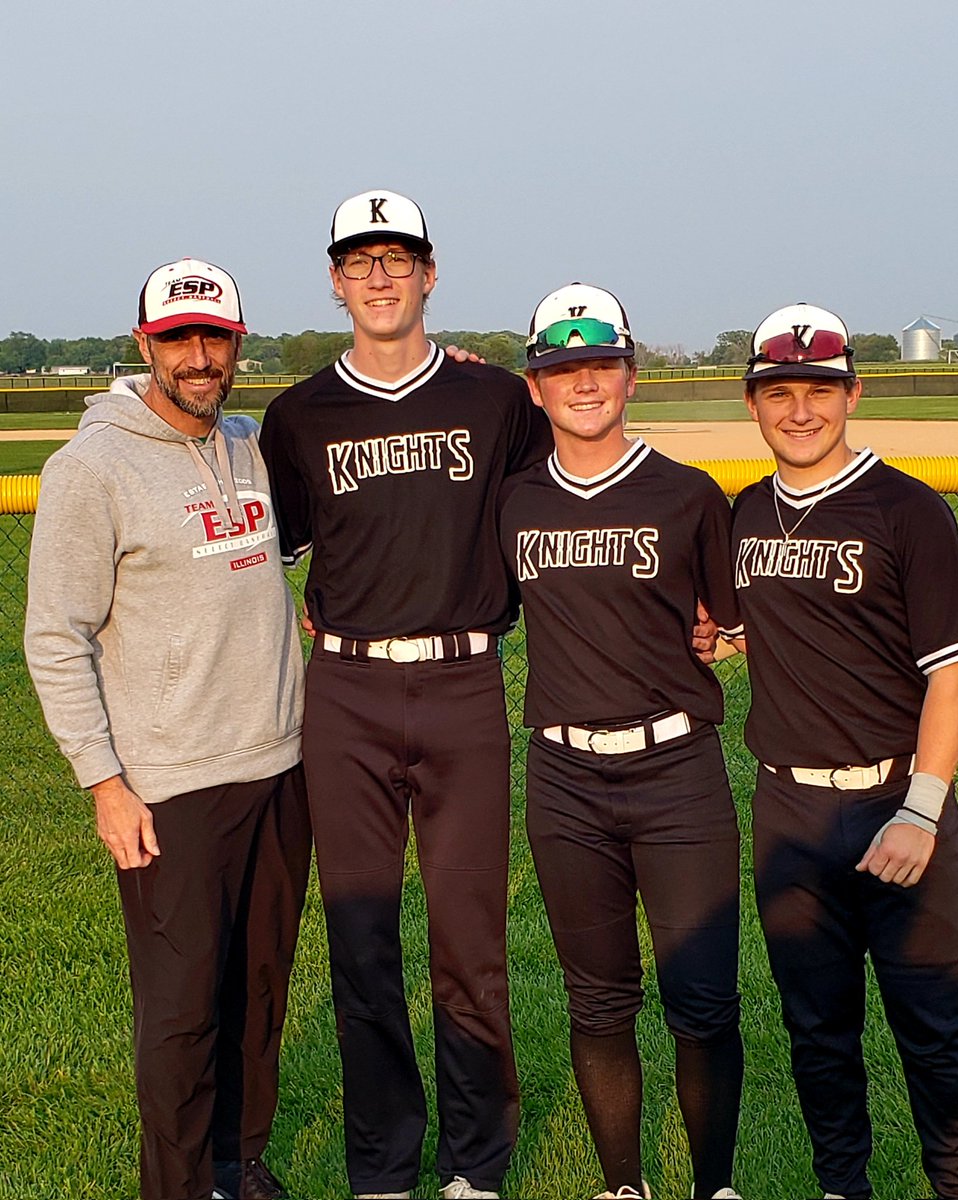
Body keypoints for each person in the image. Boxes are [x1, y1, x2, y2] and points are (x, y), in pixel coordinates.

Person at [258, 190, 554, 1200]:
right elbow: (282, 550)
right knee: (362, 943)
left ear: (431, 274)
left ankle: (477, 1162)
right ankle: (382, 1164)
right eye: (359, 260)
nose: (380, 276)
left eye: (399, 257)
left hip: (464, 683)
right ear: (336, 281)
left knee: (469, 943)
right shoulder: (301, 416)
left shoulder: (495, 401)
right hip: (345, 693)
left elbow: (556, 518)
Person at [24, 259, 312, 1200]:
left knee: (259, 990)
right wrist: (103, 782)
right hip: (168, 786)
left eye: (215, 337)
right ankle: (180, 1186)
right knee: (183, 1011)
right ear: (144, 342)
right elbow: (54, 637)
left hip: (278, 764)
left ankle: (237, 1161)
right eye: (178, 338)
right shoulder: (90, 468)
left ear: (237, 344)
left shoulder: (251, 446)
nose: (198, 355)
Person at [497, 284, 745, 1200]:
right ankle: (621, 1187)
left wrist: (723, 633)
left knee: (703, 1004)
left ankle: (712, 1186)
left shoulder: (685, 495)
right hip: (564, 778)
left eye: (600, 363)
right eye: (562, 367)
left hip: (678, 770)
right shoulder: (513, 502)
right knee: (598, 1003)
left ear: (630, 377)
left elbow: (734, 618)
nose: (583, 381)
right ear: (535, 387)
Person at [731, 304, 958, 1200]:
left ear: (852, 393)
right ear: (752, 404)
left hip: (892, 801)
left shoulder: (905, 508)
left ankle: (957, 1191)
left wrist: (921, 809)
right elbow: (731, 622)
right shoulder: (745, 513)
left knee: (929, 1028)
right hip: (788, 810)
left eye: (819, 391)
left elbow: (954, 676)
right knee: (816, 1030)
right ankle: (844, 1188)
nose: (799, 411)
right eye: (778, 393)